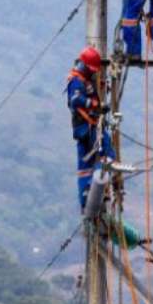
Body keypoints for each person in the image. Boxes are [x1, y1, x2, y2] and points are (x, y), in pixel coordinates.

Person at [66, 47, 116, 211]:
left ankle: (86, 199)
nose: (93, 73)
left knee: (85, 166)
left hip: (83, 128)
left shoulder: (84, 80)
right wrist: (95, 105)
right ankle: (97, 190)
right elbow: (75, 100)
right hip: (88, 127)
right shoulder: (77, 81)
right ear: (85, 66)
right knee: (106, 154)